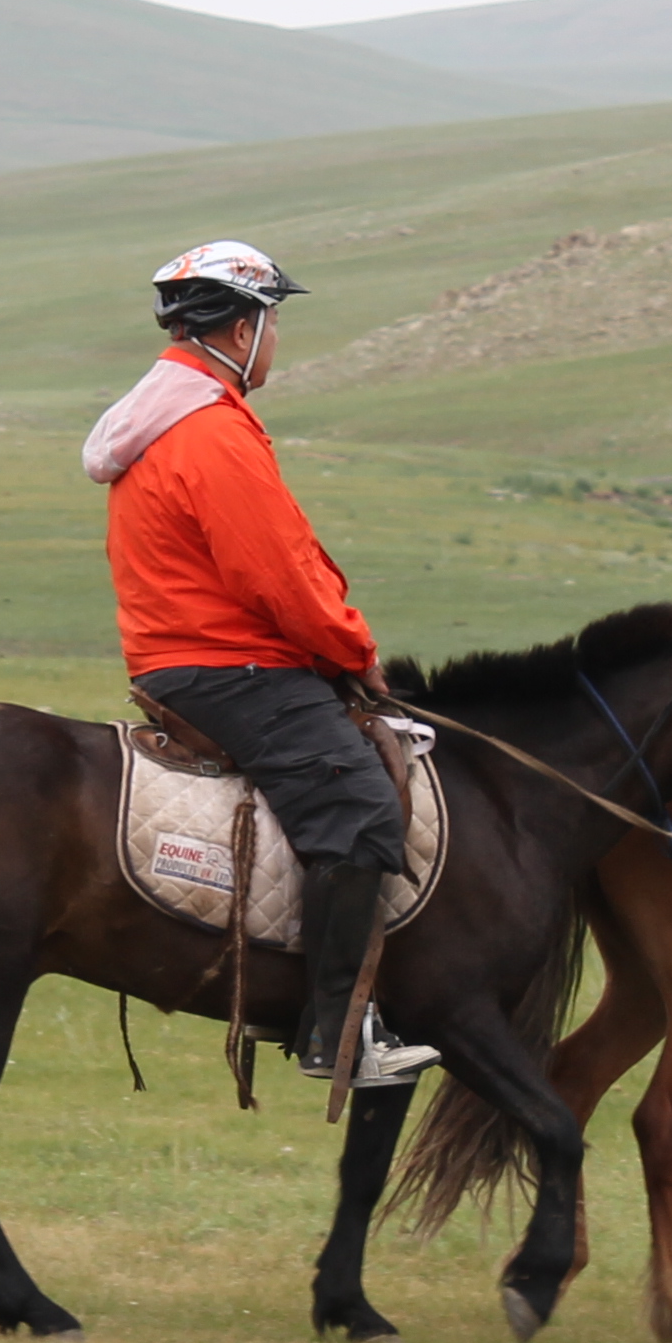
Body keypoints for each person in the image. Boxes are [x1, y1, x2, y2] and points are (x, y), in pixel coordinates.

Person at [84, 240, 439, 1083]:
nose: (276, 340)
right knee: (359, 809)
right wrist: (356, 651)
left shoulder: (171, 419)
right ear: (242, 330)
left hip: (191, 657)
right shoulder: (209, 433)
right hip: (229, 665)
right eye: (274, 323)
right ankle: (335, 1034)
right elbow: (279, 578)